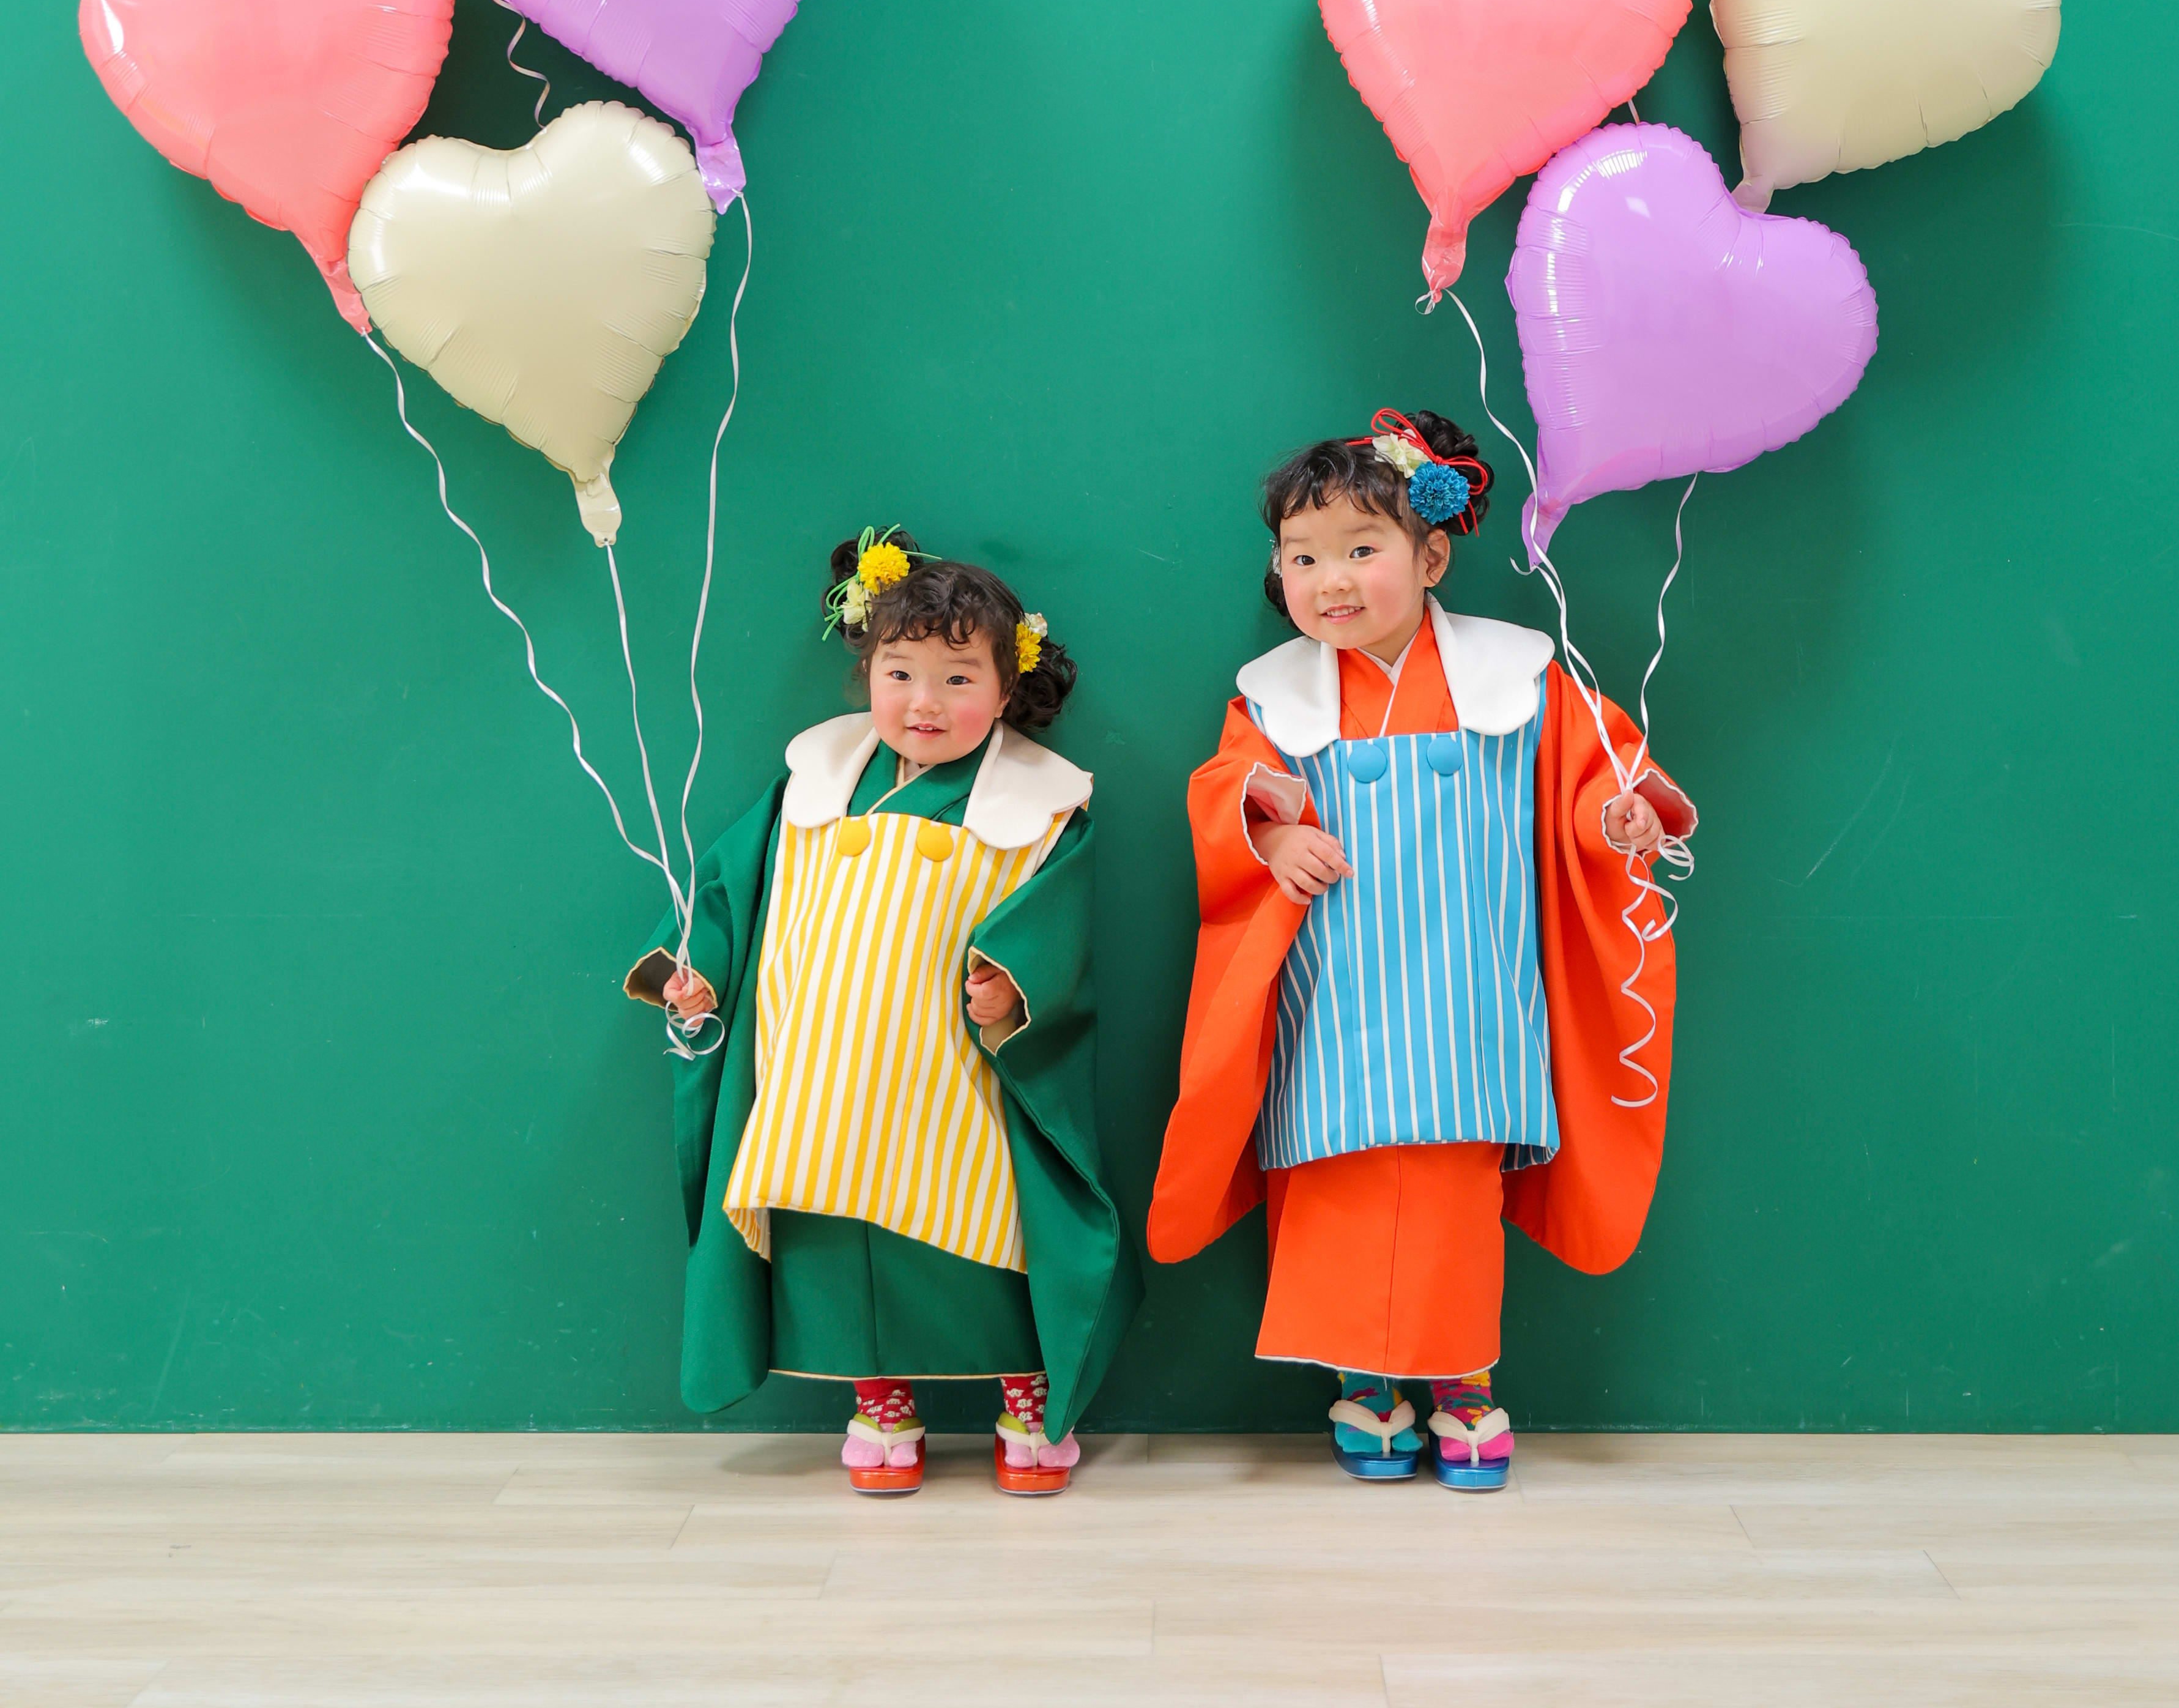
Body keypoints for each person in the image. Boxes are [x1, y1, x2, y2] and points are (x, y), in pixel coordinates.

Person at [1148, 410, 1694, 1490]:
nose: (1330, 581)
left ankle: (1463, 1384)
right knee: (1337, 1186)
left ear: (1431, 556)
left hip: (1467, 997)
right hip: (1333, 998)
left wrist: (1618, 817)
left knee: (1450, 1198)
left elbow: (1594, 775)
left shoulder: (1519, 679)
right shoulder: (1275, 696)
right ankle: (1362, 1383)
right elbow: (1227, 790)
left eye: (1361, 549)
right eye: (1302, 557)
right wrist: (1275, 833)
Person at [628, 532, 1137, 1496]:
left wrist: (1011, 986)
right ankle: (879, 1400)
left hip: (954, 1076)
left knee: (990, 1233)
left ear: (1007, 687)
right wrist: (695, 971)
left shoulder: (1036, 807)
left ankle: (1028, 1394)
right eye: (899, 673)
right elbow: (730, 892)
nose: (923, 702)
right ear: (865, 670)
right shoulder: (814, 786)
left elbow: (1050, 925)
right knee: (839, 1238)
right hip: (820, 1076)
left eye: (958, 678)